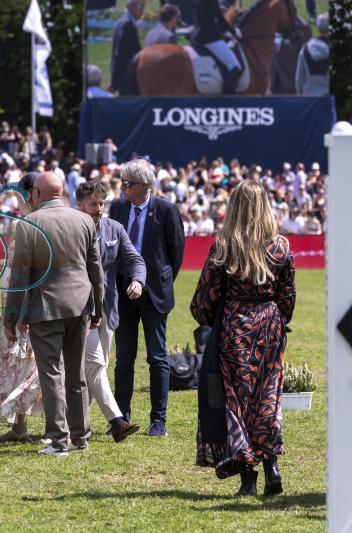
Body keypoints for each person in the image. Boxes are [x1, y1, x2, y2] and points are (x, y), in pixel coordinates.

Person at [190, 180, 295, 496]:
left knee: (237, 400)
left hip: (235, 326)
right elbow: (287, 296)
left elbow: (203, 298)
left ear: (234, 207)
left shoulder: (224, 246)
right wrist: (278, 321)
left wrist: (210, 319)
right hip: (268, 325)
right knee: (268, 398)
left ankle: (247, 477)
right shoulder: (280, 247)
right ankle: (271, 468)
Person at [4, 172, 104, 457]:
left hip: (45, 307)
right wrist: (98, 308)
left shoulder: (28, 224)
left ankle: (59, 440)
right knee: (76, 375)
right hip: (80, 304)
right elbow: (95, 269)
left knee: (51, 374)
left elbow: (21, 276)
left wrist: (12, 318)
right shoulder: (84, 220)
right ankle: (81, 436)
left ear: (36, 193)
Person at [110, 158, 184, 437]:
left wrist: (157, 282)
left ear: (143, 185)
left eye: (126, 184)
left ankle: (158, 421)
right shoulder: (117, 208)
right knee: (124, 358)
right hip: (122, 291)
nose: (122, 188)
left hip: (154, 295)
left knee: (157, 356)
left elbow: (175, 254)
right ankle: (121, 418)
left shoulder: (166, 209)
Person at [75, 181, 143, 442]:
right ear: (79, 205)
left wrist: (137, 280)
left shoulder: (115, 228)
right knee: (96, 366)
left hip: (108, 310)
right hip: (79, 310)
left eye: (102, 203)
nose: (99, 209)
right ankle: (117, 421)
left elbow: (134, 259)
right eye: (93, 204)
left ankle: (79, 426)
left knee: (94, 369)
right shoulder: (71, 229)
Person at [0, 173, 44, 443]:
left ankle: (58, 427)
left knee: (35, 369)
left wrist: (22, 314)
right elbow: (10, 263)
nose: (17, 199)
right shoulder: (17, 224)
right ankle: (19, 428)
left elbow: (32, 272)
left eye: (20, 194)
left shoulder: (37, 224)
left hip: (27, 310)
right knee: (15, 367)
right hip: (11, 307)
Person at [191, 0, 241, 94]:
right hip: (210, 38)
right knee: (235, 67)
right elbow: (220, 20)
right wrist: (233, 32)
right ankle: (225, 99)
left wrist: (224, 33)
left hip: (197, 35)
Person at [110, 0, 144, 95]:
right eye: (140, 7)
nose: (141, 10)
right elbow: (119, 54)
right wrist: (114, 82)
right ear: (131, 7)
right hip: (128, 80)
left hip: (123, 79)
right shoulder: (127, 25)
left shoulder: (121, 22)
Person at [295, 13, 329, 96]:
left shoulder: (305, 49)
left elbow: (299, 79)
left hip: (310, 97)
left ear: (317, 28)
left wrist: (302, 95)